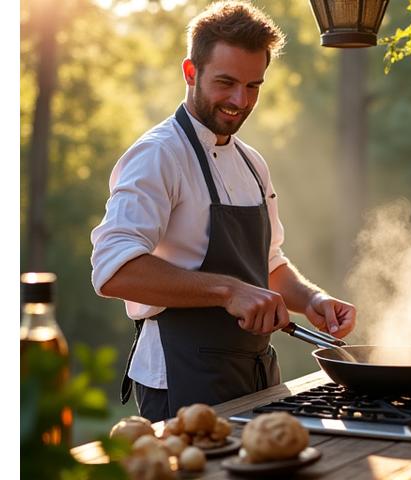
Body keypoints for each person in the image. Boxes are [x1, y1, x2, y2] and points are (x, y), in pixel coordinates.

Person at [90, 0, 356, 422]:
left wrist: (313, 299)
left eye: (253, 86)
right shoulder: (158, 155)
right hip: (179, 379)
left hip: (254, 375)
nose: (239, 100)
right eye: (226, 82)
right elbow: (112, 270)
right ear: (190, 72)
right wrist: (229, 291)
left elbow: (266, 266)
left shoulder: (252, 163)